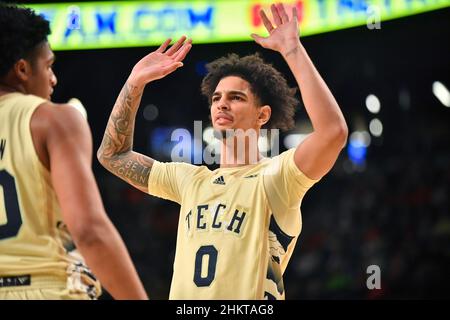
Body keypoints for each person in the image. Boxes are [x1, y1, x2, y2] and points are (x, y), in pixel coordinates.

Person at [97, 3, 347, 299]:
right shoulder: (190, 180)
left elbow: (333, 132)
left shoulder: (277, 177)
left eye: (236, 97)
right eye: (216, 98)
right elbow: (112, 155)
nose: (221, 104)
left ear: (262, 115)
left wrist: (292, 49)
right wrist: (134, 83)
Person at [0, 4, 147, 300]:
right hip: (46, 288)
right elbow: (89, 230)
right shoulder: (54, 118)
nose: (53, 79)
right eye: (49, 65)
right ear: (23, 69)